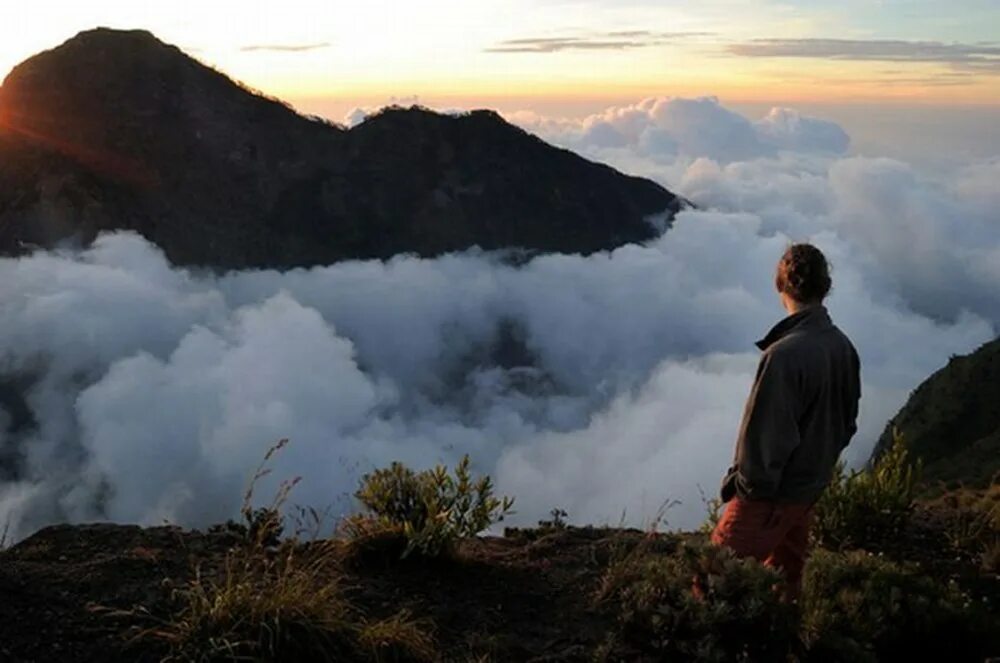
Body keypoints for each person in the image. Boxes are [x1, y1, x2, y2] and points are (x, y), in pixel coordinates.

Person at [711, 243, 861, 599]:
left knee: (714, 583)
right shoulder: (843, 347)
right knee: (784, 585)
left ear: (780, 286)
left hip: (768, 498)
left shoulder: (783, 356)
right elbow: (847, 424)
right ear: (825, 288)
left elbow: (765, 439)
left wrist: (746, 491)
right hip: (807, 491)